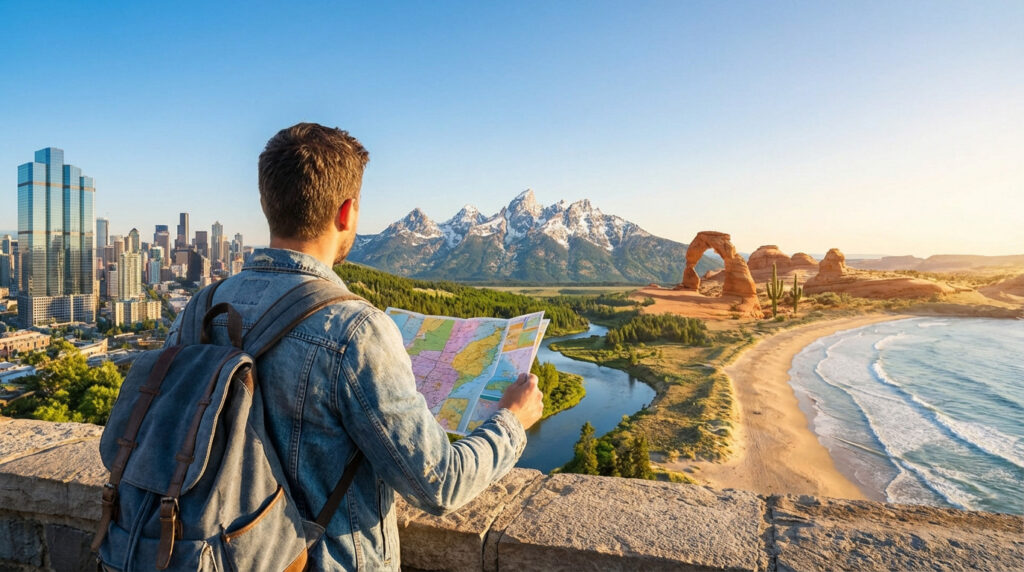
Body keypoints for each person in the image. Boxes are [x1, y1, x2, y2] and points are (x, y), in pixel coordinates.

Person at [169, 123, 543, 570]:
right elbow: (440, 484)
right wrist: (512, 421)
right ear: (346, 213)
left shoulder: (199, 309)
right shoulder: (355, 331)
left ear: (268, 204)